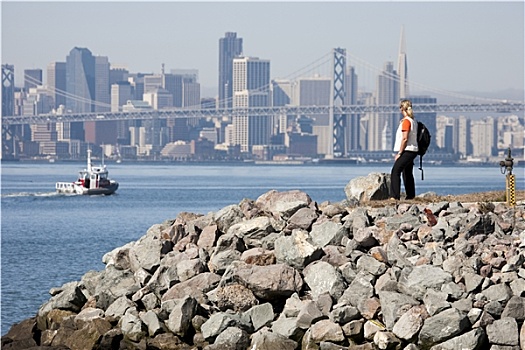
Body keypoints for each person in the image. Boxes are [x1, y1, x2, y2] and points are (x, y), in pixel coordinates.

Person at [390, 99, 419, 200]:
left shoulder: (406, 121)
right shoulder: (413, 121)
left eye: (400, 108)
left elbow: (405, 138)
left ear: (402, 108)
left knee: (395, 171)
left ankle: (394, 196)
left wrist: (399, 153)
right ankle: (410, 196)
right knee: (407, 173)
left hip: (407, 150)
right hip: (414, 150)